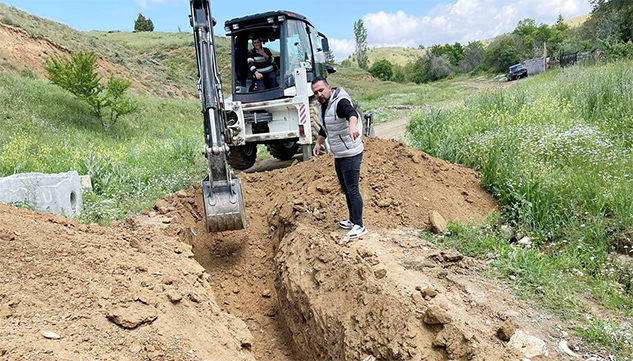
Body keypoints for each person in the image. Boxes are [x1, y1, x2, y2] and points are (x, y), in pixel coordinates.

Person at [311, 77, 367, 239]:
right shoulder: (323, 105)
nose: (319, 94)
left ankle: (360, 226)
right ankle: (352, 220)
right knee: (346, 188)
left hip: (351, 153)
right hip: (339, 154)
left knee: (353, 190)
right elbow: (325, 128)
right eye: (315, 93)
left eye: (321, 90)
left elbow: (351, 113)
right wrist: (318, 143)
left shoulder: (340, 102)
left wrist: (352, 125)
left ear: (329, 88)